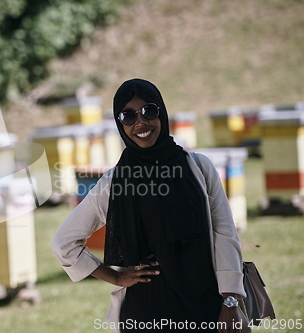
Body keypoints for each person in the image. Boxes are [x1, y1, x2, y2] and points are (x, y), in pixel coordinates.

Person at [51, 79, 250, 333]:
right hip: (146, 315)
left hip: (208, 310)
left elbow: (225, 234)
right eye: (128, 116)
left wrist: (231, 300)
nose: (140, 122)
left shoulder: (198, 167)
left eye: (149, 111)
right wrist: (115, 277)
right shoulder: (114, 183)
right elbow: (63, 243)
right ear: (119, 123)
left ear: (162, 113)